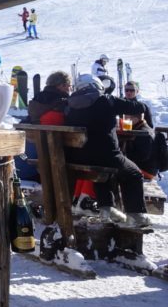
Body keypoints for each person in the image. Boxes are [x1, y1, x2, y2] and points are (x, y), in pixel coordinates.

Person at [65, 74, 152, 227]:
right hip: (107, 156)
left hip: (78, 157)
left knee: (103, 171)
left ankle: (107, 209)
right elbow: (137, 107)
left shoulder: (69, 104)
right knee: (134, 174)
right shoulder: (105, 100)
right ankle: (136, 216)